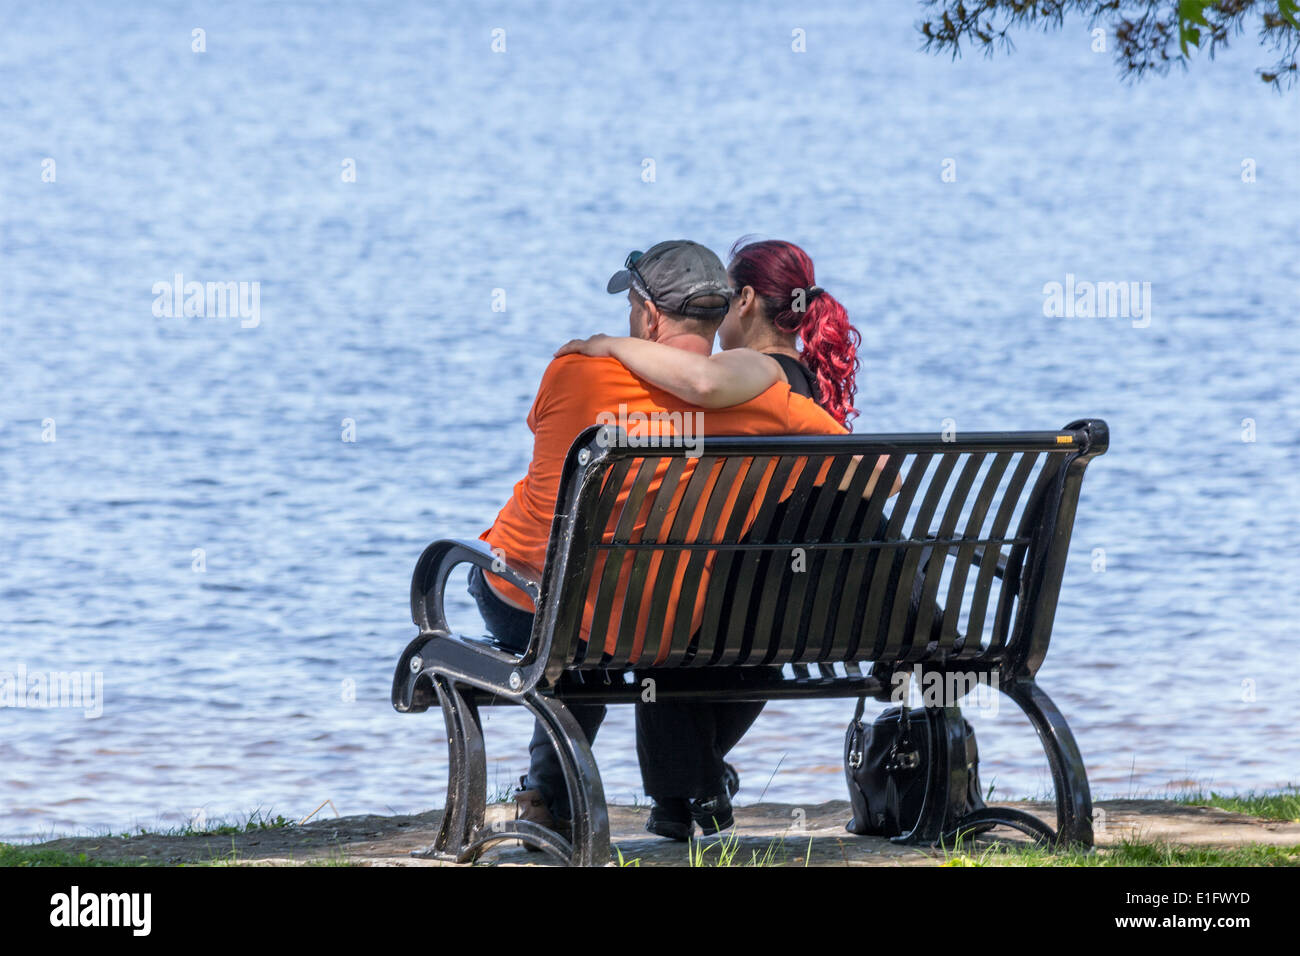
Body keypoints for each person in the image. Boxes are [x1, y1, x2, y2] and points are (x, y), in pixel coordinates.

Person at [469, 240, 851, 848]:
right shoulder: (764, 395)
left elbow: (542, 435)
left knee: (559, 604)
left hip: (536, 604)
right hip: (663, 618)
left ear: (648, 316)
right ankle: (574, 789)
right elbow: (877, 468)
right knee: (596, 605)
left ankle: (549, 798)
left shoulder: (574, 370)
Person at [555, 238, 891, 841]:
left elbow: (705, 384)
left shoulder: (761, 382)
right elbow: (878, 477)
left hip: (729, 616)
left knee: (672, 615)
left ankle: (690, 790)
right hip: (794, 619)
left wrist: (610, 346)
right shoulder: (802, 390)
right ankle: (693, 789)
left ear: (743, 300)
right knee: (691, 611)